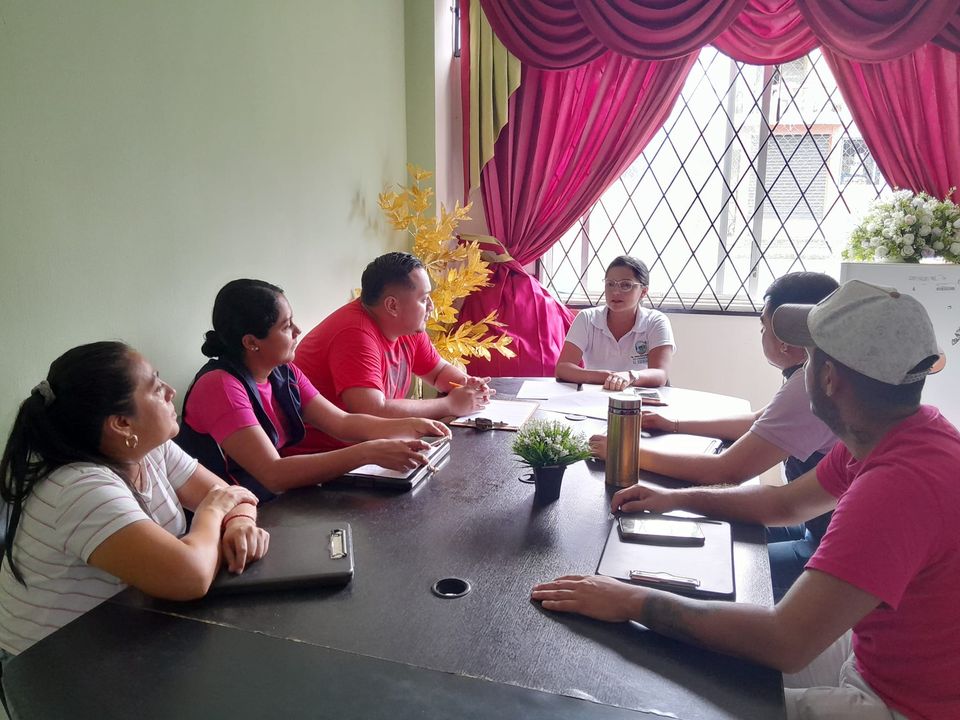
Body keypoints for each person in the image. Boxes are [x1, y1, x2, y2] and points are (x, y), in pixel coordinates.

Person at [533, 280, 959, 720]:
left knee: (664, 702)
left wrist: (630, 601)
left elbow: (784, 641)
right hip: (877, 657)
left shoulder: (896, 486)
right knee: (692, 660)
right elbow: (782, 505)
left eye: (809, 355)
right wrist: (673, 499)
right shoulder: (900, 434)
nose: (802, 366)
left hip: (904, 705)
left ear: (829, 378)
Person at [0, 342, 269, 657]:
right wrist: (212, 512)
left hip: (119, 630)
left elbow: (234, 496)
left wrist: (239, 523)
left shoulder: (148, 448)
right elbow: (191, 576)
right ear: (122, 424)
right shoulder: (80, 488)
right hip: (41, 665)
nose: (170, 391)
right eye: (155, 388)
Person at [590, 272, 840, 600]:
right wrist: (673, 423)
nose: (762, 334)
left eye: (763, 326)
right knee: (715, 532)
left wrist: (625, 451)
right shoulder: (820, 371)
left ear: (787, 335)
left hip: (829, 549)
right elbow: (756, 421)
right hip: (816, 523)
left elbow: (726, 472)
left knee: (711, 566)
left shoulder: (810, 388)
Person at [177, 279, 449, 501]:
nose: (297, 330)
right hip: (231, 520)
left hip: (272, 501)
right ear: (251, 342)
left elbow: (342, 423)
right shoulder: (220, 387)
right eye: (286, 326)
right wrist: (368, 452)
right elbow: (273, 473)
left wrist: (411, 425)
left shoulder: (283, 372)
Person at [290, 252, 492, 454]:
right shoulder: (355, 334)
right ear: (392, 305)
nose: (431, 306)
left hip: (370, 450)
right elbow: (372, 412)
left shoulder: (406, 326)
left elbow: (438, 372)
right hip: (325, 458)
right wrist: (449, 404)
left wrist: (469, 385)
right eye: (424, 299)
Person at [555, 256, 674, 390]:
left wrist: (630, 376)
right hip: (596, 395)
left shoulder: (656, 321)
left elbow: (660, 373)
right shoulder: (587, 318)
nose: (615, 292)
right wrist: (607, 377)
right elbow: (563, 368)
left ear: (643, 292)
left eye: (626, 285)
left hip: (640, 397)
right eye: (610, 284)